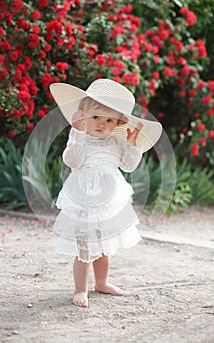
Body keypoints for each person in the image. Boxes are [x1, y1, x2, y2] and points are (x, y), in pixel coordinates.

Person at [50, 79, 162, 308]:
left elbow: (128, 166)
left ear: (117, 123)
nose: (102, 124)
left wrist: (133, 145)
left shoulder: (116, 141)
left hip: (109, 199)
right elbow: (71, 161)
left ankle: (102, 282)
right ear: (81, 115)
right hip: (84, 197)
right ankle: (81, 289)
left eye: (109, 120)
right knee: (84, 246)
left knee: (104, 244)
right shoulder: (78, 136)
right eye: (95, 118)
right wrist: (78, 133)